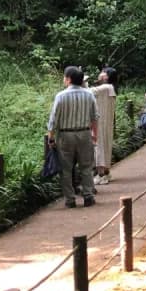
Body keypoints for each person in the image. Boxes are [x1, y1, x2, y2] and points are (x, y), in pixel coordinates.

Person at [47, 66, 99, 208]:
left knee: (66, 168)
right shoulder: (89, 95)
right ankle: (88, 196)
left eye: (64, 77)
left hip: (65, 135)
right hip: (85, 133)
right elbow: (95, 117)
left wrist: (50, 137)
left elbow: (53, 119)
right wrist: (95, 135)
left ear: (68, 79)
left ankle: (70, 199)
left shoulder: (61, 96)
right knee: (86, 166)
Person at [90, 70, 116, 185]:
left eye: (103, 72)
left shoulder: (105, 87)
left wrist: (80, 80)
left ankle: (101, 175)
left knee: (99, 147)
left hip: (100, 123)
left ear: (107, 76)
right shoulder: (110, 88)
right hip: (105, 122)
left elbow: (88, 91)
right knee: (105, 146)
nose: (100, 73)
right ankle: (106, 172)